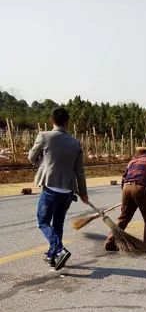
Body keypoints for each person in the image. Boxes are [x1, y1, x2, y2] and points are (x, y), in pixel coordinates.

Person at [28, 107, 89, 270]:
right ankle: (52, 256)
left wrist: (42, 164)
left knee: (42, 221)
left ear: (51, 120)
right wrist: (83, 193)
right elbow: (80, 172)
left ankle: (60, 250)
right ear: (67, 123)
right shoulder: (75, 143)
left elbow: (31, 157)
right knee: (58, 224)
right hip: (68, 192)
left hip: (50, 189)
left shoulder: (44, 136)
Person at [105, 142, 146, 252]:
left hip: (126, 188)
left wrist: (127, 195)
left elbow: (124, 179)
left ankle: (110, 241)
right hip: (140, 189)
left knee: (124, 217)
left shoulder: (134, 159)